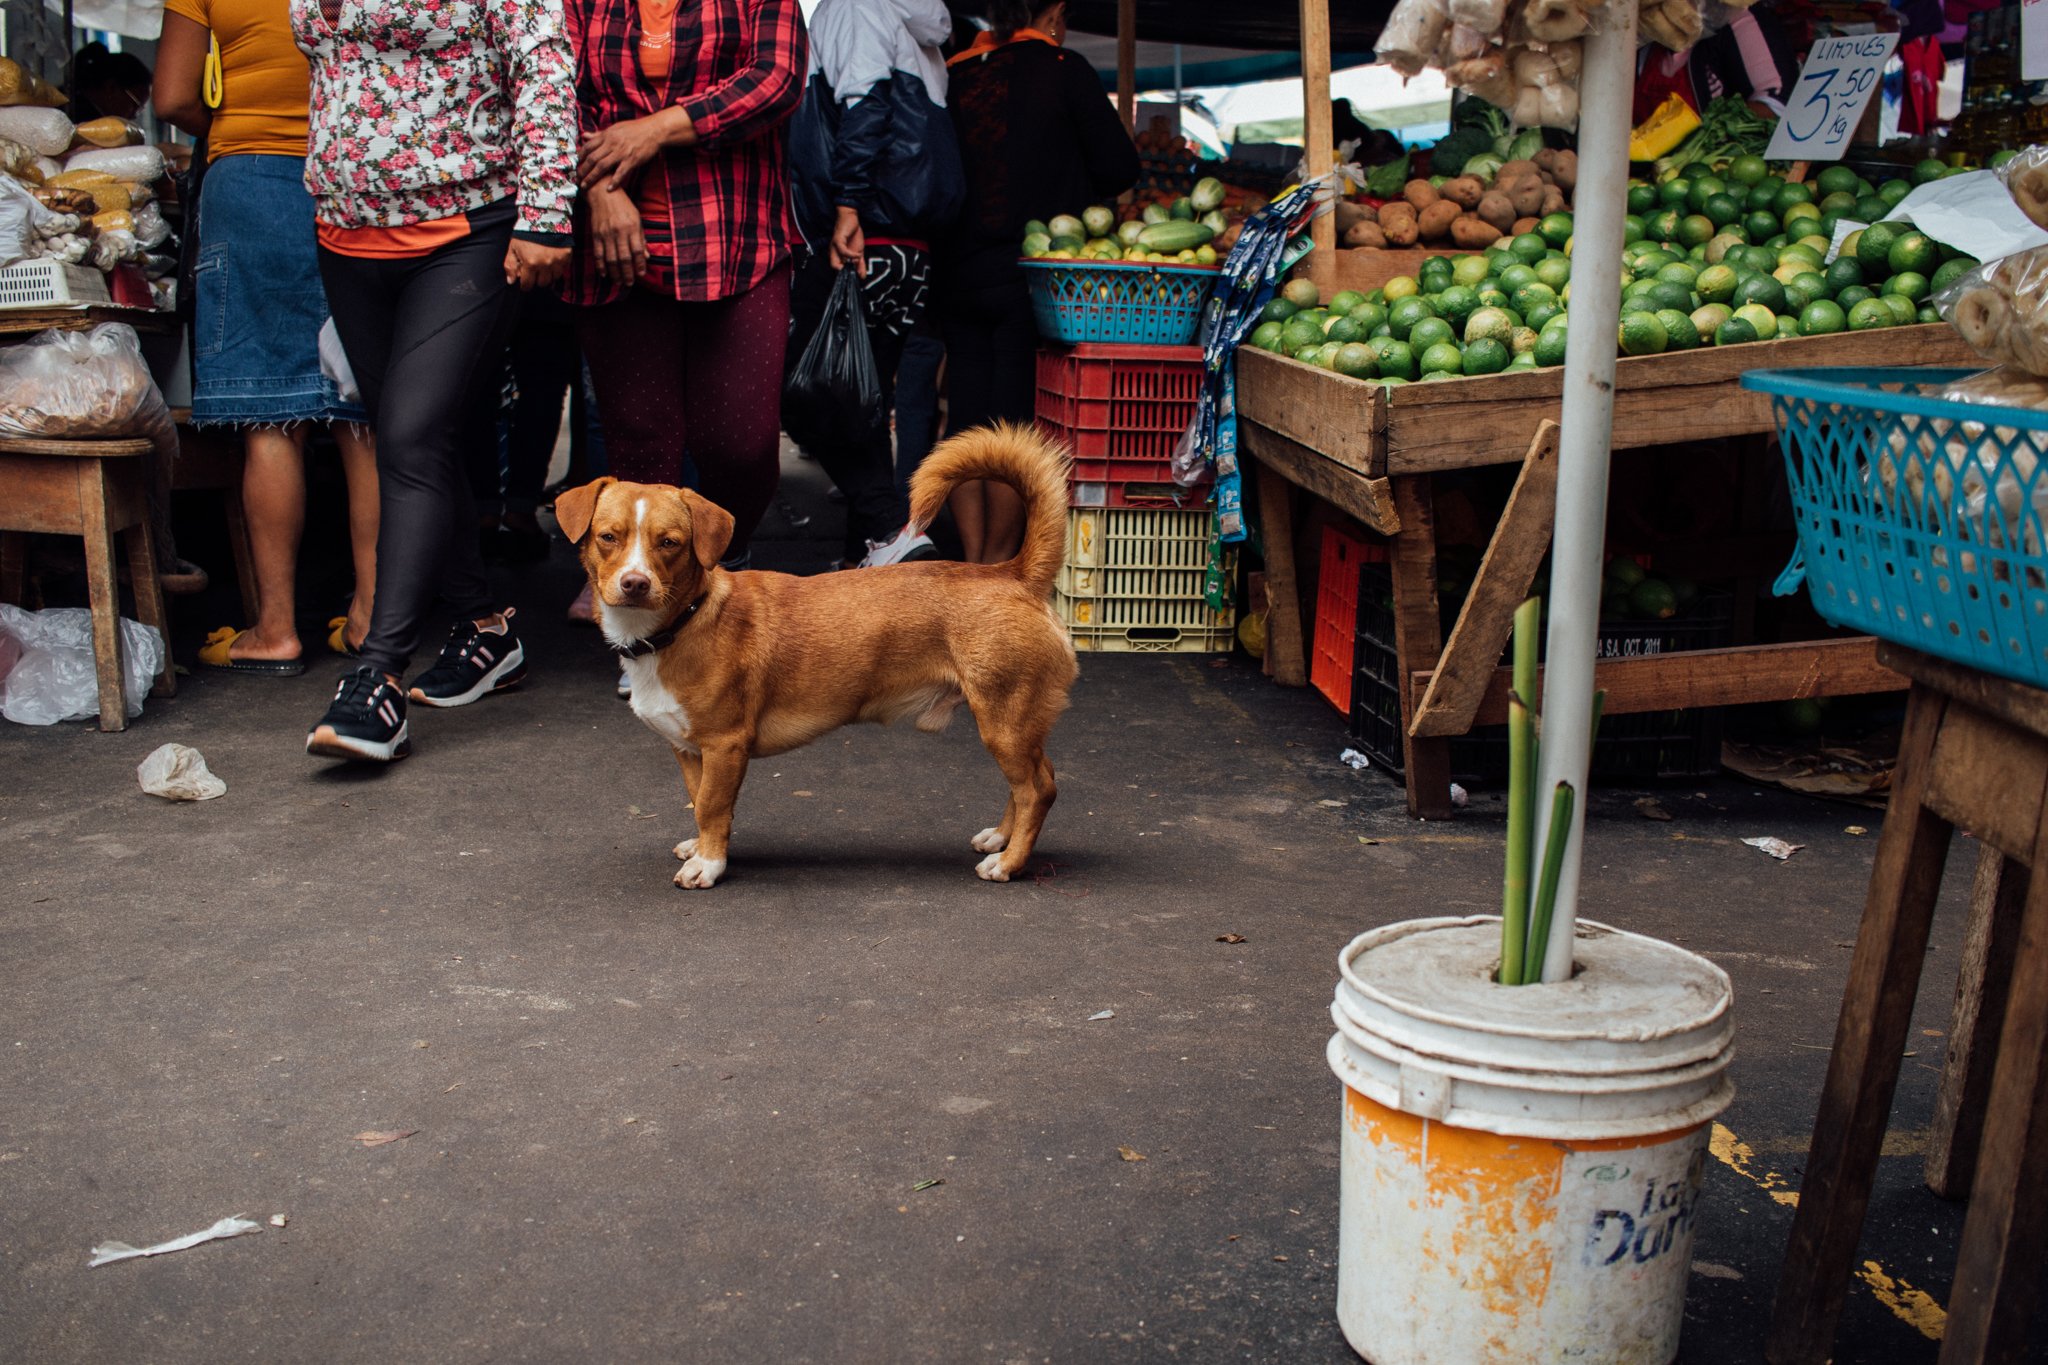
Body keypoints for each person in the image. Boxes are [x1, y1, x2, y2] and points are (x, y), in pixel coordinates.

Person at [294, 0, 577, 763]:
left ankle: (377, 677)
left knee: (414, 434)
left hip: (465, 226)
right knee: (414, 436)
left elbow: (543, 63)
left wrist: (546, 212)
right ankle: (486, 628)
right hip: (346, 230)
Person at [154, 2, 381, 675]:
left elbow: (171, 95)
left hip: (251, 179)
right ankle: (372, 615)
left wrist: (234, 131)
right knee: (361, 413)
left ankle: (274, 628)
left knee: (272, 418)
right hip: (357, 175)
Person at [564, 0, 806, 579]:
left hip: (736, 236)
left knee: (741, 448)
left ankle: (718, 560)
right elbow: (546, 93)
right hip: (617, 247)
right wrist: (598, 189)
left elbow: (777, 78)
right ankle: (643, 615)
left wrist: (653, 131)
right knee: (641, 445)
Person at [938, 0, 1137, 564]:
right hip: (1034, 274)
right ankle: (997, 564)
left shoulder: (956, 72)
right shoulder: (1061, 68)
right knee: (1013, 419)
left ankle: (972, 555)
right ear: (1054, 11)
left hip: (958, 269)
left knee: (967, 413)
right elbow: (1120, 167)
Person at [786, 0, 962, 569]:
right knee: (861, 396)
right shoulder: (920, 26)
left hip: (861, 233)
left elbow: (867, 107)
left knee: (803, 390)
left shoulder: (858, 7)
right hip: (907, 247)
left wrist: (845, 206)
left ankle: (891, 531)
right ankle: (865, 558)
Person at [70, 42, 152, 122]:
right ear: (111, 87)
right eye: (135, 105)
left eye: (140, 109)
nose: (134, 116)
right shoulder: (84, 123)